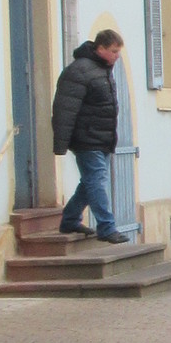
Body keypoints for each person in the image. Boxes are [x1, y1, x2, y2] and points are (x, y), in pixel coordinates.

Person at [52, 29, 128, 243]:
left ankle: (69, 219)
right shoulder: (79, 71)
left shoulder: (102, 70)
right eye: (114, 51)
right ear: (100, 48)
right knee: (96, 181)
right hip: (86, 139)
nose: (117, 56)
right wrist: (61, 143)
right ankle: (106, 227)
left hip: (102, 139)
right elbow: (64, 108)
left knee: (90, 183)